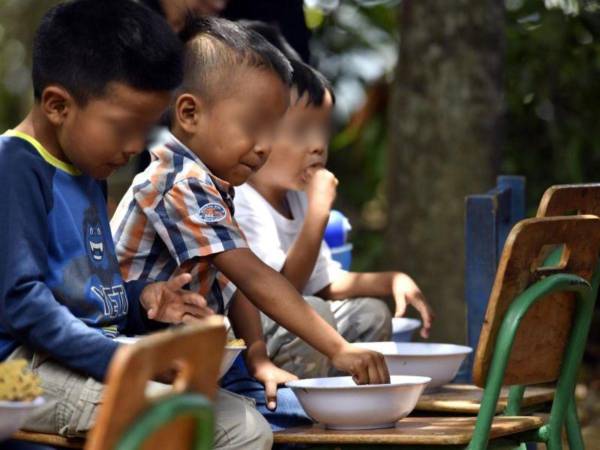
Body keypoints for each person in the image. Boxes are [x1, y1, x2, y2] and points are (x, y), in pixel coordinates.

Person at [0, 2, 271, 448]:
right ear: (57, 105)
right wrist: (124, 360)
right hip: (21, 371)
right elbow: (22, 303)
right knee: (228, 428)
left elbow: (87, 298)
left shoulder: (88, 168)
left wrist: (141, 298)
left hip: (81, 357)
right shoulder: (16, 167)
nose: (133, 147)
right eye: (124, 127)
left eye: (145, 131)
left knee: (240, 418)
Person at [111, 18, 389, 403]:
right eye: (252, 126)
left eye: (272, 130)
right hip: (136, 355)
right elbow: (253, 276)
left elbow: (235, 282)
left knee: (288, 408)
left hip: (192, 349)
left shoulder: (215, 183)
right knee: (281, 419)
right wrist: (338, 348)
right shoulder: (181, 181)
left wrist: (258, 358)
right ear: (190, 113)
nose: (264, 146)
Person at [233, 23, 434, 377]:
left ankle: (349, 406)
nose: (317, 146)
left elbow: (323, 281)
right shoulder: (243, 200)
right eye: (300, 131)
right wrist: (318, 215)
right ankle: (301, 414)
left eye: (323, 131)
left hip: (292, 316)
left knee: (370, 313)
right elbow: (284, 294)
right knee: (314, 312)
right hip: (247, 337)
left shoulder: (294, 197)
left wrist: (389, 280)